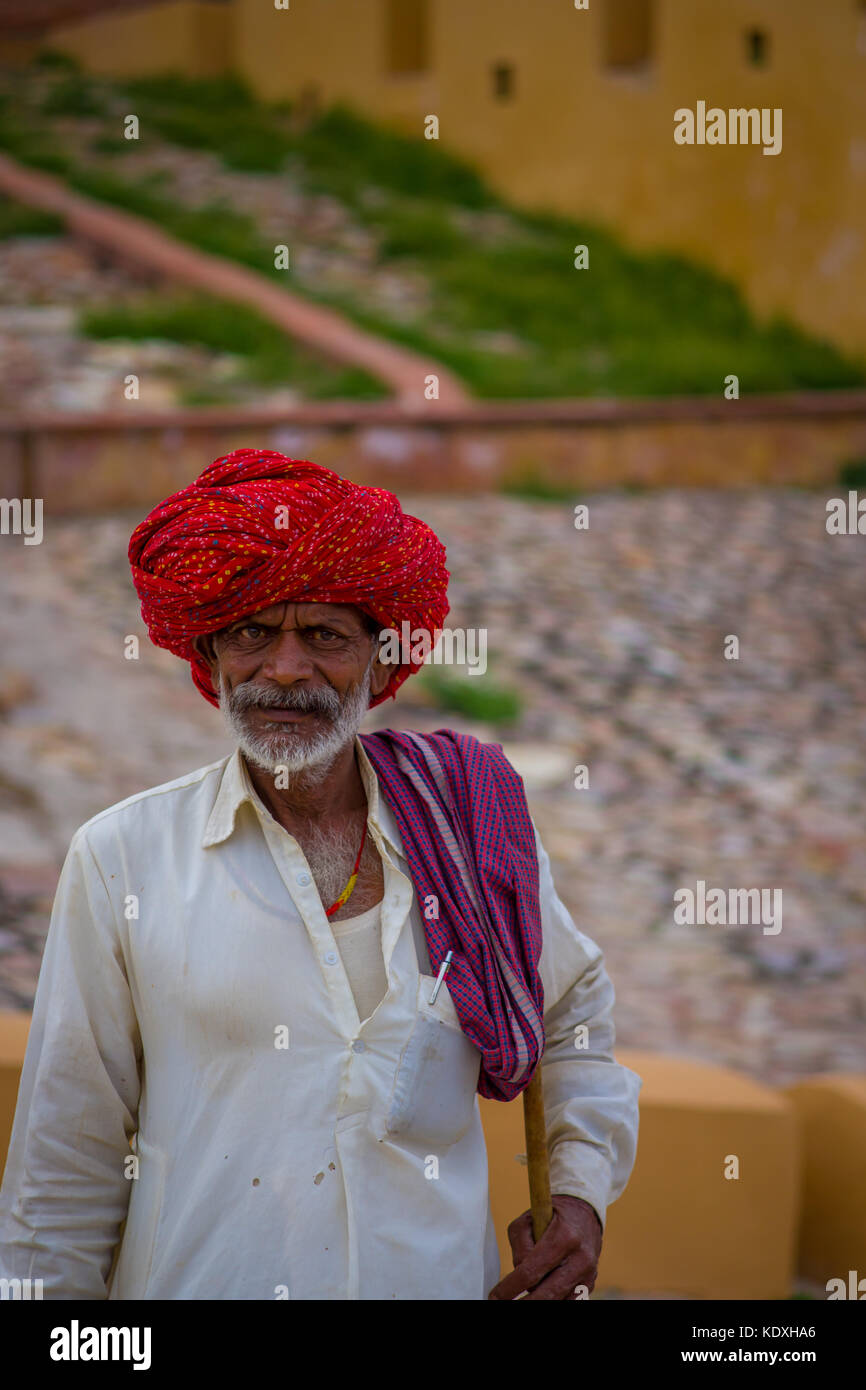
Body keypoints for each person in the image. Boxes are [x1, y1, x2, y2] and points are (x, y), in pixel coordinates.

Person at [0, 449, 641, 1300]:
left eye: (325, 636)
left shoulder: (469, 833)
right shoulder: (122, 857)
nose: (287, 670)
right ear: (213, 658)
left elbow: (572, 1014)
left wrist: (580, 1192)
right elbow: (66, 1155)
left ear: (378, 661)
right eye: (253, 634)